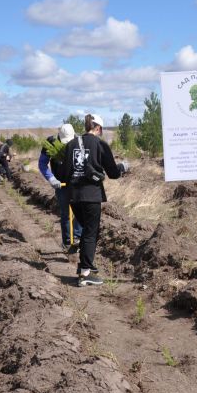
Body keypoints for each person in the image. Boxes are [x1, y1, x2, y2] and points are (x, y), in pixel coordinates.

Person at [60, 114, 128, 287]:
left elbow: (62, 174)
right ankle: (85, 274)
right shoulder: (99, 144)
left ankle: (84, 265)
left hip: (74, 197)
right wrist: (123, 167)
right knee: (91, 232)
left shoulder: (71, 145)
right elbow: (113, 173)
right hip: (91, 196)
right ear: (98, 128)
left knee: (88, 231)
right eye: (101, 130)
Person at [39, 123, 83, 253]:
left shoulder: (80, 141)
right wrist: (51, 178)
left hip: (77, 183)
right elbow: (42, 163)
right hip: (60, 184)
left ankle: (77, 237)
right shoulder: (51, 142)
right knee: (65, 213)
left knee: (80, 211)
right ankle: (67, 242)